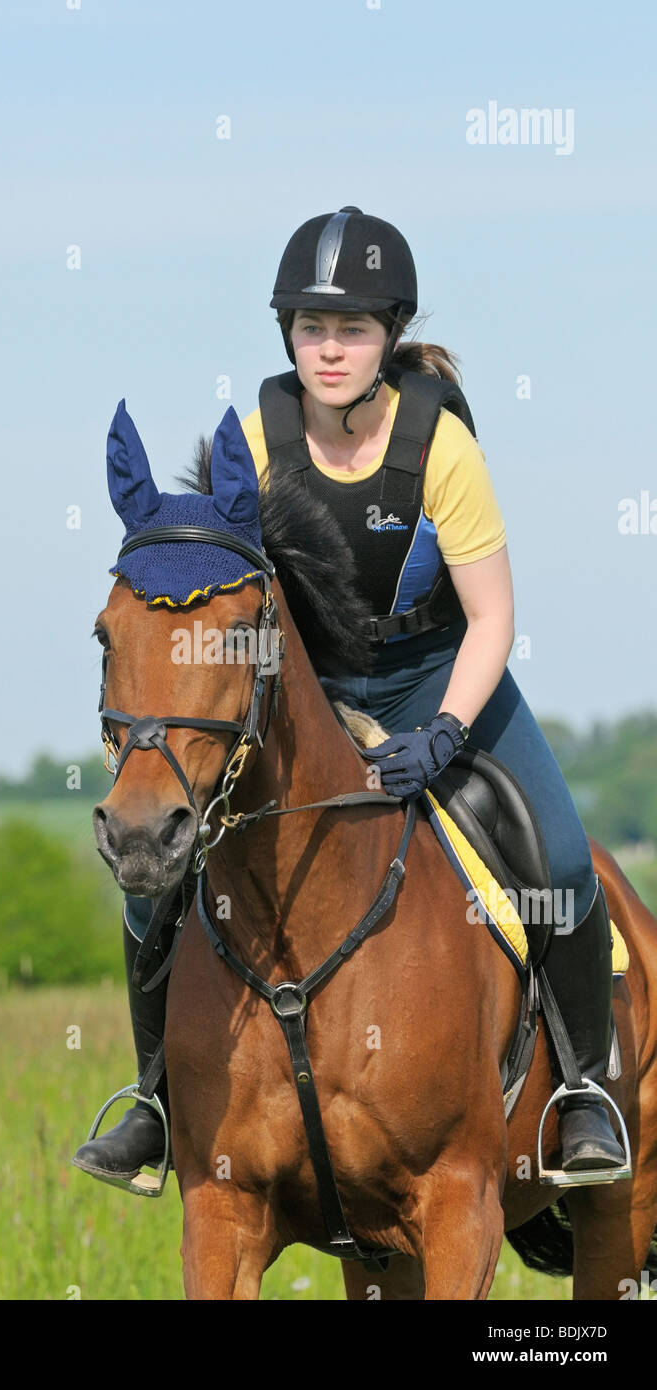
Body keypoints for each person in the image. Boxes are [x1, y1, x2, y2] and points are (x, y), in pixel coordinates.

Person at [73, 206, 627, 1187]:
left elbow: (492, 617)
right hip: (312, 693)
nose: (328, 351)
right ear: (285, 332)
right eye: (309, 329)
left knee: (561, 862)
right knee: (156, 887)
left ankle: (581, 1090)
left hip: (441, 675)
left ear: (390, 334)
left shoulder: (440, 448)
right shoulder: (251, 438)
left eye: (353, 330)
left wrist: (446, 732)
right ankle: (155, 1097)